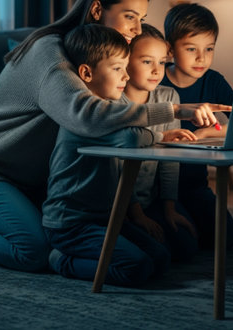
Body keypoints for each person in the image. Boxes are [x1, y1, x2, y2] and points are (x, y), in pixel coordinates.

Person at [0, 0, 231, 272]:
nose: (136, 30)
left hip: (30, 179)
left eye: (142, 20)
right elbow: (88, 117)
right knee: (33, 252)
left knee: (122, 243)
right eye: (130, 17)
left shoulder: (97, 57)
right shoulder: (51, 55)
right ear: (96, 11)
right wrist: (176, 111)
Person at [43, 23, 183, 286]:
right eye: (118, 68)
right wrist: (162, 135)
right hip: (71, 224)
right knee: (137, 267)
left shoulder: (110, 108)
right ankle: (61, 260)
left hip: (104, 218)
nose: (126, 77)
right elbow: (131, 137)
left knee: (162, 259)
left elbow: (132, 135)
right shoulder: (86, 117)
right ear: (86, 72)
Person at [160, 3, 233, 249]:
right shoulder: (155, 78)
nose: (201, 58)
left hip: (195, 184)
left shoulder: (213, 81)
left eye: (209, 49)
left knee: (227, 239)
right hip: (157, 187)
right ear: (171, 49)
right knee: (184, 244)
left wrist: (210, 132)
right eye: (191, 48)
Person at [121, 24, 198, 262]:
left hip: (151, 200)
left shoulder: (168, 97)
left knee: (187, 249)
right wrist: (136, 214)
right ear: (125, 61)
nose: (157, 70)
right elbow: (118, 165)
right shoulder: (113, 101)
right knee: (157, 255)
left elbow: (169, 158)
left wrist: (169, 209)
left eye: (162, 62)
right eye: (146, 62)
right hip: (122, 204)